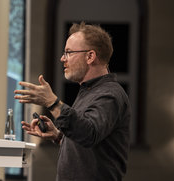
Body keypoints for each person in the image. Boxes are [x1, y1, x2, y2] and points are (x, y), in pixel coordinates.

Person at [14, 22, 131, 181]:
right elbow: (86, 143)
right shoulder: (88, 91)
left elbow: (89, 134)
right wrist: (58, 136)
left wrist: (53, 103)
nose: (62, 58)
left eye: (69, 52)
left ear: (90, 56)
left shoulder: (110, 94)